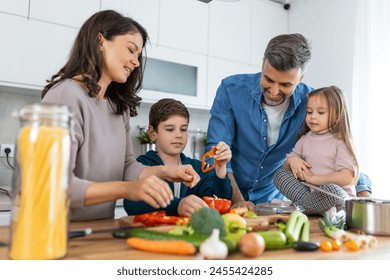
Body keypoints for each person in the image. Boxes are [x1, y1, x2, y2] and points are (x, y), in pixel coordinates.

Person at [41, 10, 200, 221]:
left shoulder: (118, 106)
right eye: (131, 50)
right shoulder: (65, 95)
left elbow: (126, 165)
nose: (136, 62)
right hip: (55, 231)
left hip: (98, 230)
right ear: (101, 40)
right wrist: (127, 189)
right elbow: (54, 185)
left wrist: (165, 172)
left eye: (138, 55)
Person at [205, 33, 371, 211]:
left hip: (270, 205)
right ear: (262, 65)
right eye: (268, 80)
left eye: (285, 85)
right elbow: (216, 150)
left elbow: (339, 146)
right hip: (225, 198)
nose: (274, 91)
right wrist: (238, 201)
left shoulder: (312, 105)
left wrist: (363, 193)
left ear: (301, 78)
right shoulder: (231, 90)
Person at [124, 98, 233, 217]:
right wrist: (177, 205)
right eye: (170, 129)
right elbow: (132, 204)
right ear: (152, 133)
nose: (178, 135)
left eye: (183, 129)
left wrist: (221, 168)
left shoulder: (198, 168)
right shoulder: (142, 166)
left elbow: (220, 202)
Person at [273, 86, 357, 215]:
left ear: (337, 116)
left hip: (339, 201)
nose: (313, 117)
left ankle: (300, 208)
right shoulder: (304, 140)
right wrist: (293, 160)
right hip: (312, 195)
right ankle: (309, 207)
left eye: (321, 112)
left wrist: (315, 180)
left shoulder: (340, 142)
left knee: (331, 190)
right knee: (280, 175)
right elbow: (286, 166)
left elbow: (347, 177)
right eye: (309, 112)